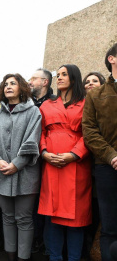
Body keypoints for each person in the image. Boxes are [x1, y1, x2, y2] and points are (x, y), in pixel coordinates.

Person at [0, 73, 41, 261]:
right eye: (5, 84)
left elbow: (33, 141)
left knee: (23, 218)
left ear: (21, 88)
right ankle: (10, 255)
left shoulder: (34, 112)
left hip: (26, 174)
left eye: (13, 83)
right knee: (7, 216)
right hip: (2, 173)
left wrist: (17, 164)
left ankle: (23, 257)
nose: (8, 86)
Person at [38, 64, 92, 261]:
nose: (59, 77)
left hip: (76, 165)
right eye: (58, 75)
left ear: (74, 78)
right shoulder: (46, 105)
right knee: (52, 215)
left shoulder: (87, 104)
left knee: (75, 216)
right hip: (51, 165)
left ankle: (75, 258)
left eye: (64, 75)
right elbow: (40, 132)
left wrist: (74, 154)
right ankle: (55, 257)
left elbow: (90, 134)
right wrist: (43, 152)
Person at [82, 43, 117, 261]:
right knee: (110, 227)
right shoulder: (96, 95)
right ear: (112, 59)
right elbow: (90, 131)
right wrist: (112, 155)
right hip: (107, 167)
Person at [29, 68, 54, 254]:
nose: (30, 82)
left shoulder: (54, 102)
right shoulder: (26, 102)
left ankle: (46, 243)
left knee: (47, 202)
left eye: (34, 78)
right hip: (28, 161)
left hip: (47, 159)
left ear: (45, 82)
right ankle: (32, 240)